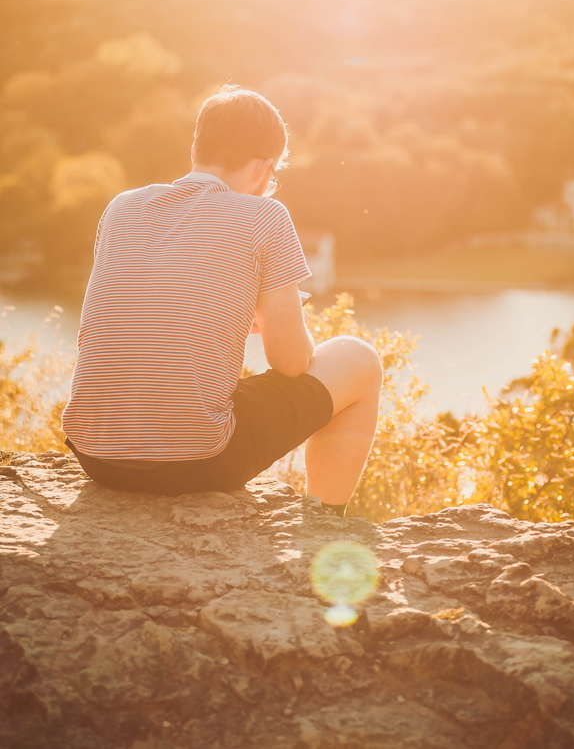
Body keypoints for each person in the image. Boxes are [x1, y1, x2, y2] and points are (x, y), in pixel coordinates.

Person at [62, 83, 382, 516]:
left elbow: (116, 325)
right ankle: (324, 522)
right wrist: (272, 317)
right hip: (197, 460)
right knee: (358, 358)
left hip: (96, 457)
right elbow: (291, 364)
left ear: (198, 148)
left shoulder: (123, 207)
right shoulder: (265, 216)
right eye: (273, 176)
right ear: (263, 169)